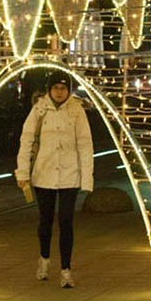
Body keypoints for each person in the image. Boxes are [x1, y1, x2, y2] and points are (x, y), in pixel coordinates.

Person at [15, 72, 94, 288]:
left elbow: (85, 145)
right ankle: (44, 258)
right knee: (45, 220)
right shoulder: (39, 110)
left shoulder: (76, 111)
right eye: (56, 88)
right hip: (44, 173)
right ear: (49, 90)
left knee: (67, 222)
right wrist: (22, 173)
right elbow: (26, 140)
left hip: (70, 175)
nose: (60, 92)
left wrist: (87, 179)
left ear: (69, 90)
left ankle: (66, 270)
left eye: (63, 88)